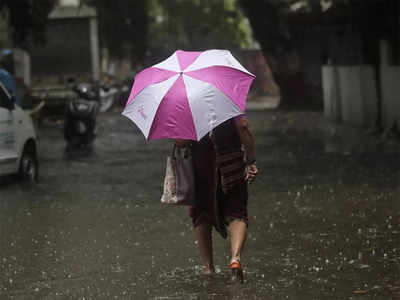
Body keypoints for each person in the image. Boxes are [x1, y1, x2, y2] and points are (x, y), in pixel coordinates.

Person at [175, 115, 258, 283]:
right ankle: (235, 260)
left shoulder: (188, 105)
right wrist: (251, 159)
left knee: (201, 214)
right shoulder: (227, 99)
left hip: (201, 165)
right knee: (237, 212)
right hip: (231, 162)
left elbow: (181, 141)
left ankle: (208, 268)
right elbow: (243, 126)